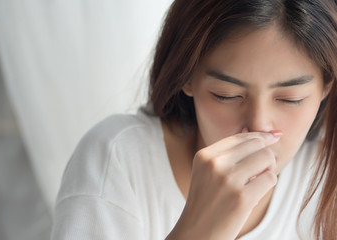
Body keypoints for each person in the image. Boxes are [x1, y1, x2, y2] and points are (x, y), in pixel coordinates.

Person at [51, 0, 337, 239]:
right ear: (187, 76)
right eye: (226, 94)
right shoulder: (118, 159)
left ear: (326, 86)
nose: (259, 125)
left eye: (290, 99)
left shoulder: (324, 176)